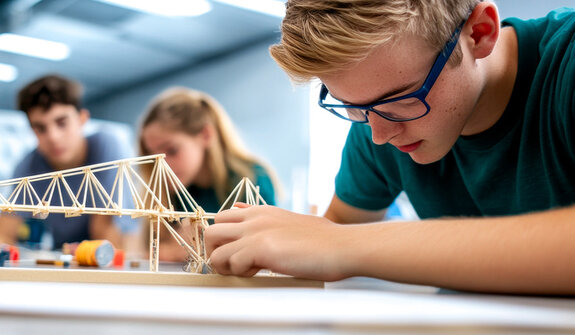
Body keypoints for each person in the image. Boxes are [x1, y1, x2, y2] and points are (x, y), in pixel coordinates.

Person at [206, 1, 575, 295]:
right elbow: (328, 240)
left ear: (479, 33)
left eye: (401, 99)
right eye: (351, 106)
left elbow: (336, 243)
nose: (380, 135)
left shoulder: (566, 64)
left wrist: (342, 245)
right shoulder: (378, 119)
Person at [0, 74, 136, 250]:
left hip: (116, 252)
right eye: (40, 128)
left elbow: (106, 234)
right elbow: (3, 235)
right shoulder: (28, 167)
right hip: (68, 257)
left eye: (62, 123)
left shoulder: (106, 146)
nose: (53, 137)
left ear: (82, 119)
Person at [139, 87, 278, 261]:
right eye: (153, 157)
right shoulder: (172, 191)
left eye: (172, 151)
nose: (161, 166)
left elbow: (269, 247)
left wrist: (182, 251)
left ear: (205, 135)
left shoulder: (253, 178)